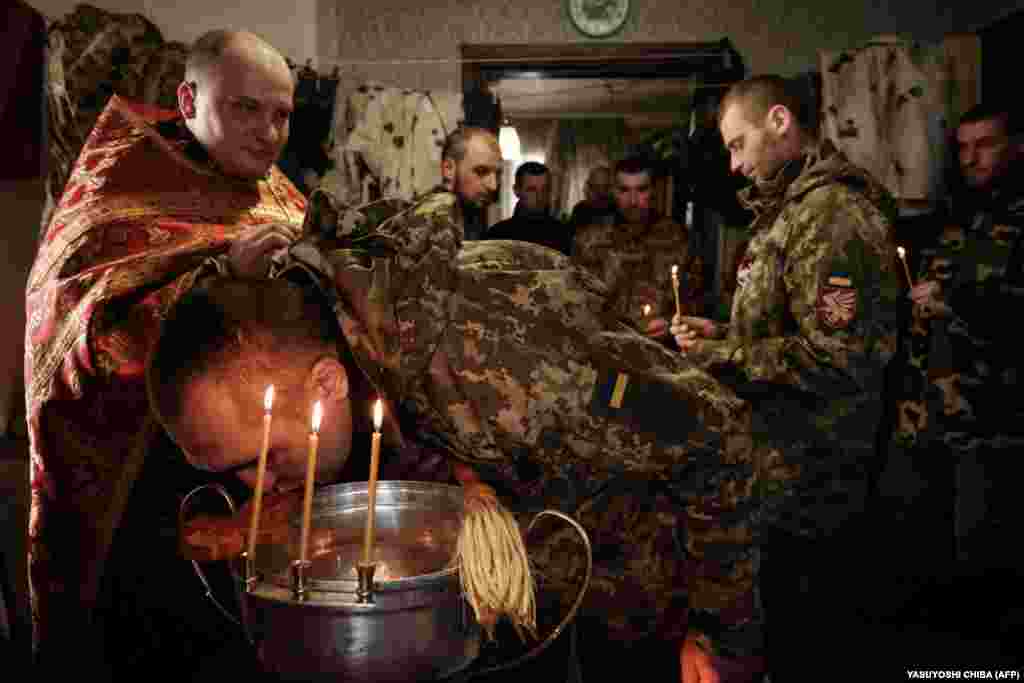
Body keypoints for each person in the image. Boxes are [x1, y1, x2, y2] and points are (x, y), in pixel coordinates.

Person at [257, 126, 772, 679]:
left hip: (655, 588)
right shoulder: (391, 343)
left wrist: (719, 632)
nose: (262, 482)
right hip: (578, 584)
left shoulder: (505, 346)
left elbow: (713, 436)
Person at [23, 28, 307, 676]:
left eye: (283, 114)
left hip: (260, 484)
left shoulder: (279, 194)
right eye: (246, 108)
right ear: (188, 99)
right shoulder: (115, 190)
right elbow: (76, 338)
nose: (269, 132)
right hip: (144, 491)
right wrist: (212, 281)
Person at [670, 75, 903, 681]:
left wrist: (718, 359)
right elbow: (780, 330)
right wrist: (720, 334)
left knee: (812, 646)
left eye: (737, 143)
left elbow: (838, 358)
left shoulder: (834, 216)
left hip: (817, 486)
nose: (735, 162)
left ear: (779, 121)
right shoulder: (789, 211)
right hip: (776, 476)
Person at [890, 101, 1024, 644]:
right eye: (963, 147)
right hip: (929, 421)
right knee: (928, 565)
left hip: (992, 424)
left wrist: (961, 303)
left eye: (984, 144)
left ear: (1016, 146)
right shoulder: (952, 219)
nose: (971, 158)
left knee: (984, 572)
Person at [572, 156, 701, 344]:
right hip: (605, 349)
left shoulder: (677, 238)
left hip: (661, 350)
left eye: (641, 190)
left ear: (653, 191)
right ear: (613, 191)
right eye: (624, 190)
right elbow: (574, 299)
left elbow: (696, 299)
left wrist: (671, 321)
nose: (633, 200)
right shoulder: (589, 240)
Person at [484, 161, 572, 255]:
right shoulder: (497, 235)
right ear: (516, 191)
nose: (540, 197)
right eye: (532, 190)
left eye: (544, 190)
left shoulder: (562, 234)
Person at [568, 164, 616, 240]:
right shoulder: (580, 209)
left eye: (605, 187)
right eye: (596, 187)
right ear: (588, 187)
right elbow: (572, 239)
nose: (601, 192)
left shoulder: (620, 209)